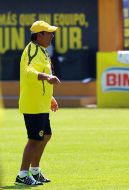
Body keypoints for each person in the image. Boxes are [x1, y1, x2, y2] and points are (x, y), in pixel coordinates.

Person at [15, 20, 61, 186]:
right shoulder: (32, 50)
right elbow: (29, 71)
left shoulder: (42, 51)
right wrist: (47, 77)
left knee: (45, 136)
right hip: (32, 104)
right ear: (39, 35)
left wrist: (50, 98)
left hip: (41, 103)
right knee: (34, 139)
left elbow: (39, 77)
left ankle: (34, 171)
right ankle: (22, 174)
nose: (52, 35)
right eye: (48, 32)